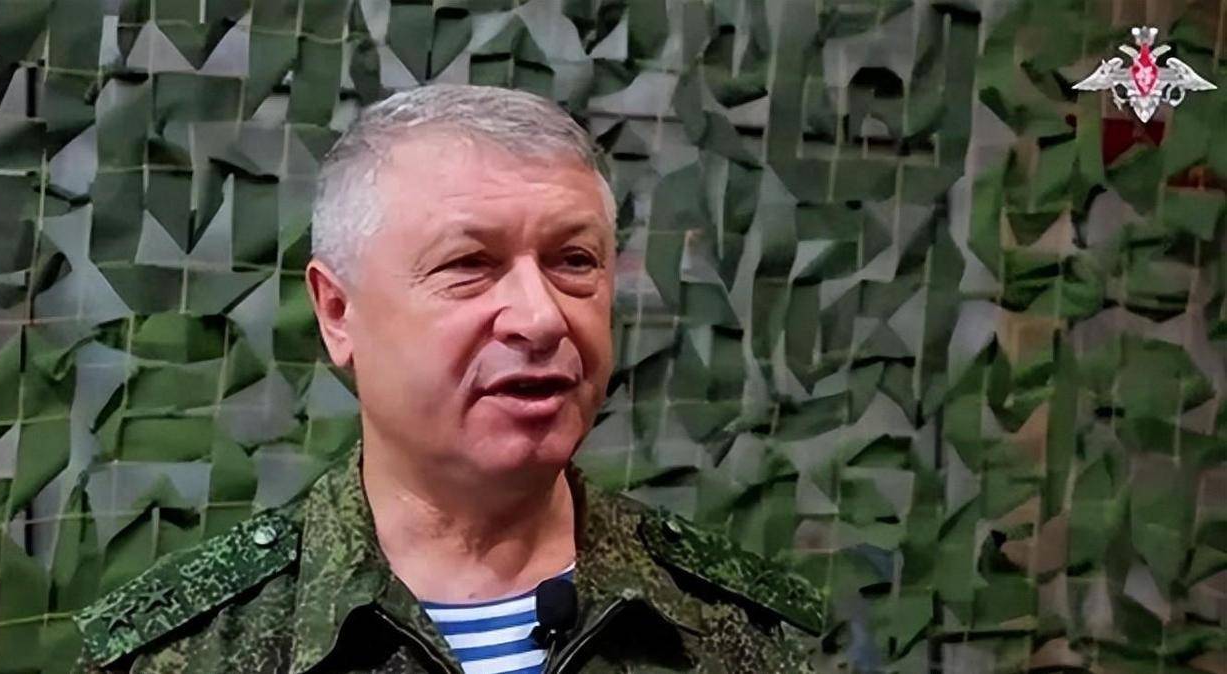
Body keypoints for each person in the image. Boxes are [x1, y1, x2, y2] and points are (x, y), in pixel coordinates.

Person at [72, 84, 825, 674]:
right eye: (469, 265)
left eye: (574, 262)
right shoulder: (190, 653)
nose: (541, 318)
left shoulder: (734, 635)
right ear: (338, 312)